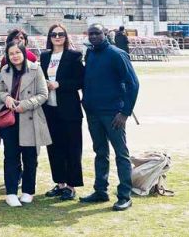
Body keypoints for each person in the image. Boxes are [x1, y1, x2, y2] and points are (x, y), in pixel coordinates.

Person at [80, 23, 139, 212]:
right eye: (91, 34)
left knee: (121, 154)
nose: (93, 36)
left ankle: (124, 195)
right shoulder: (90, 53)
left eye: (97, 33)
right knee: (100, 152)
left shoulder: (116, 54)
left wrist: (125, 112)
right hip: (93, 112)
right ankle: (100, 190)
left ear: (105, 34)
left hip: (113, 113)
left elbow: (133, 84)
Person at [0, 41, 51, 207]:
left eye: (17, 52)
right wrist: (7, 98)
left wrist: (25, 104)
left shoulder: (35, 68)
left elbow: (43, 94)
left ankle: (28, 191)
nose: (15, 56)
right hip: (10, 118)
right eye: (11, 53)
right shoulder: (5, 70)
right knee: (10, 156)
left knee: (30, 157)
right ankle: (10, 192)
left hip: (29, 117)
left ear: (24, 53)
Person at [39, 24, 84, 201]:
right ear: (49, 37)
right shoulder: (44, 57)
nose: (57, 37)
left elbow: (81, 81)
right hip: (49, 109)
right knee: (54, 148)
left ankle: (71, 186)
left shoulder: (74, 56)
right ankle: (60, 183)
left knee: (72, 147)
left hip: (69, 109)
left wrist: (60, 84)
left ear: (66, 37)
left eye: (61, 34)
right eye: (54, 34)